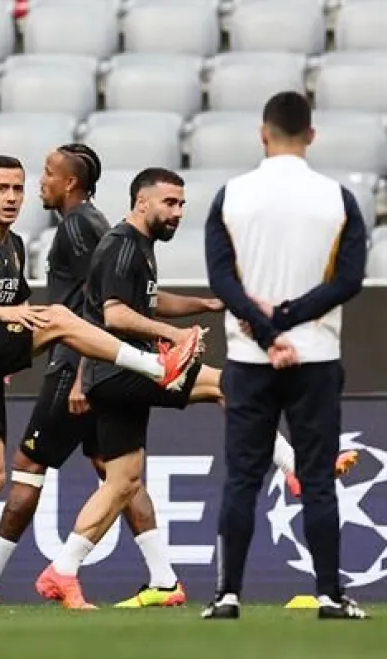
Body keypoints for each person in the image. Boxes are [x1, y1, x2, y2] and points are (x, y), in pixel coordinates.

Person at [33, 168, 359, 610]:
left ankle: (63, 570)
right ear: (142, 202)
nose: (178, 212)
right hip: (123, 369)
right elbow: (115, 314)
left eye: (182, 204)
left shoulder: (137, 245)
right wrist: (173, 335)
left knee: (123, 482)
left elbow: (146, 300)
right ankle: (295, 467)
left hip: (110, 375)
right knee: (231, 385)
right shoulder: (121, 245)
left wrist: (204, 305)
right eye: (169, 203)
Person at [0, 156, 205, 613]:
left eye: (19, 187)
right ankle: (153, 366)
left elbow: (52, 304)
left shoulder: (19, 244)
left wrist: (12, 350)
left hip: (4, 367)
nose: (13, 197)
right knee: (59, 322)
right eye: (2, 188)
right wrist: (3, 319)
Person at [202, 92, 368, 620]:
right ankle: (330, 596)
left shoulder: (231, 196)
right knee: (317, 481)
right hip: (316, 356)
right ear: (311, 135)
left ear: (262, 133)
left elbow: (222, 280)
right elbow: (349, 280)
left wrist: (268, 332)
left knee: (242, 479)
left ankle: (227, 596)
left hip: (250, 359)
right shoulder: (338, 199)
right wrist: (292, 317)